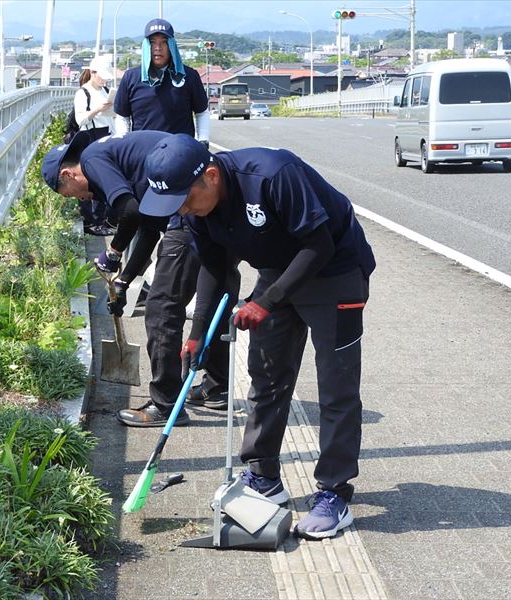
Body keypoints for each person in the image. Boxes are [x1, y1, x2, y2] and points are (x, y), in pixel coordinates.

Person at [139, 134, 376, 540]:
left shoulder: (272, 175)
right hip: (276, 272)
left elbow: (318, 245)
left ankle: (334, 493)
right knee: (266, 378)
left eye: (184, 199)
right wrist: (199, 336)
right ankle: (264, 478)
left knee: (335, 387)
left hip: (335, 270)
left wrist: (265, 302)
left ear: (211, 177)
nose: (180, 209)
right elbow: (216, 269)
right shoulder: (197, 210)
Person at [97, 17, 233, 427]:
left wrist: (201, 144)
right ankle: (216, 386)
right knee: (216, 291)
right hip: (160, 181)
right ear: (144, 46)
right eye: (152, 41)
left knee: (165, 304)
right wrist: (125, 142)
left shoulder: (186, 77)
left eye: (164, 41)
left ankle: (167, 401)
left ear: (172, 45)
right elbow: (120, 118)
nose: (158, 47)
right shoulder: (133, 79)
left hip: (184, 178)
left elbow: (203, 113)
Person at [74, 57, 116, 237]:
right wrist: (98, 109)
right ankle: (91, 221)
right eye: (102, 76)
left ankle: (101, 219)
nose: (104, 80)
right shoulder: (83, 93)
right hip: (90, 137)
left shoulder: (106, 90)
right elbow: (80, 120)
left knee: (104, 179)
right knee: (91, 180)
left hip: (107, 136)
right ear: (92, 72)